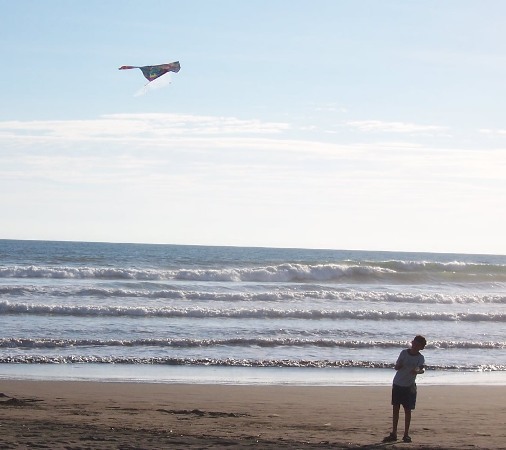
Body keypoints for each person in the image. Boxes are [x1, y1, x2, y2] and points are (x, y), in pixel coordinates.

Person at [383, 335, 427, 444]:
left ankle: (406, 434)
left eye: (418, 345)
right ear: (412, 343)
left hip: (409, 386)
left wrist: (416, 371)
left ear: (421, 347)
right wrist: (400, 365)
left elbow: (422, 369)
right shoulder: (404, 353)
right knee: (396, 408)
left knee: (408, 410)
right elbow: (396, 367)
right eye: (414, 343)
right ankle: (394, 433)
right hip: (398, 383)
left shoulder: (420, 357)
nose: (415, 346)